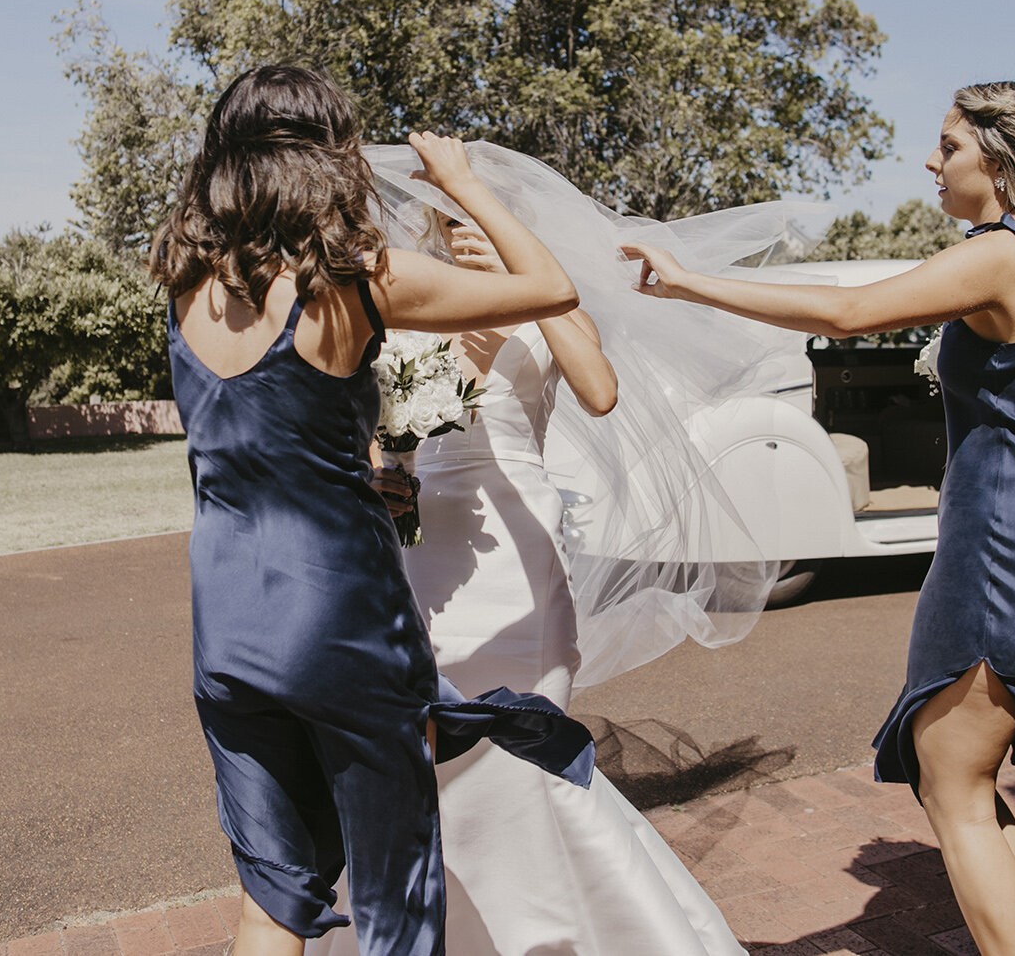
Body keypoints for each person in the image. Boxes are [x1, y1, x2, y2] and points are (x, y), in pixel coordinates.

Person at [622, 81, 1015, 956]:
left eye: (948, 145)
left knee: (953, 788)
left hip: (998, 561)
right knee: (968, 780)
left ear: (1002, 158)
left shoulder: (1007, 253)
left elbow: (851, 311)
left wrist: (688, 283)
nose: (930, 163)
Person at [152, 66, 594, 956]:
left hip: (227, 620)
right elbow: (552, 286)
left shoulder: (187, 281)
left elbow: (266, 433)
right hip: (340, 620)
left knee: (276, 896)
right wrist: (465, 186)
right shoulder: (360, 282)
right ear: (329, 155)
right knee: (396, 905)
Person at [313, 205, 747, 956]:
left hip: (518, 557)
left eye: (476, 214)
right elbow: (358, 430)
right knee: (419, 754)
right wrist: (380, 473)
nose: (460, 231)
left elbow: (600, 388)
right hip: (418, 556)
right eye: (445, 218)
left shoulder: (545, 298)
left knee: (526, 749)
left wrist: (529, 279)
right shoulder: (410, 308)